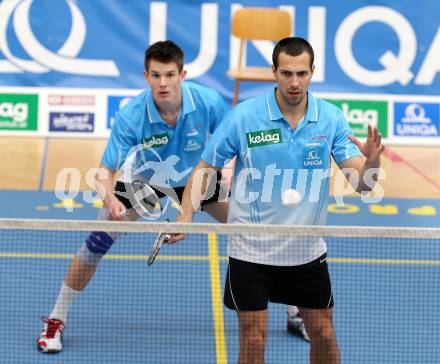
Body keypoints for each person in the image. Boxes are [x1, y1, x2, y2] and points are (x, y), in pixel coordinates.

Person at [171, 37, 385, 363]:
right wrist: (185, 215)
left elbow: (364, 187)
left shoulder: (330, 119)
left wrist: (372, 164)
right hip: (250, 251)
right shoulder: (244, 117)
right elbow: (205, 167)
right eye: (286, 73)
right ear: (274, 71)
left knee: (324, 336)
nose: (294, 82)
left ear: (313, 71)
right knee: (253, 340)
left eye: (301, 73)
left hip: (305, 251)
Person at [37, 40, 232, 353]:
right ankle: (56, 319)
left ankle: (292, 309)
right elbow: (104, 170)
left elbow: (232, 137)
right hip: (147, 179)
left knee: (254, 230)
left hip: (196, 176)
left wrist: (230, 167)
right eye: (156, 75)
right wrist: (110, 200)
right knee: (95, 245)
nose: (163, 83)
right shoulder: (132, 115)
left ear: (183, 74)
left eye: (169, 74)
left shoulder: (208, 102)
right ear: (146, 75)